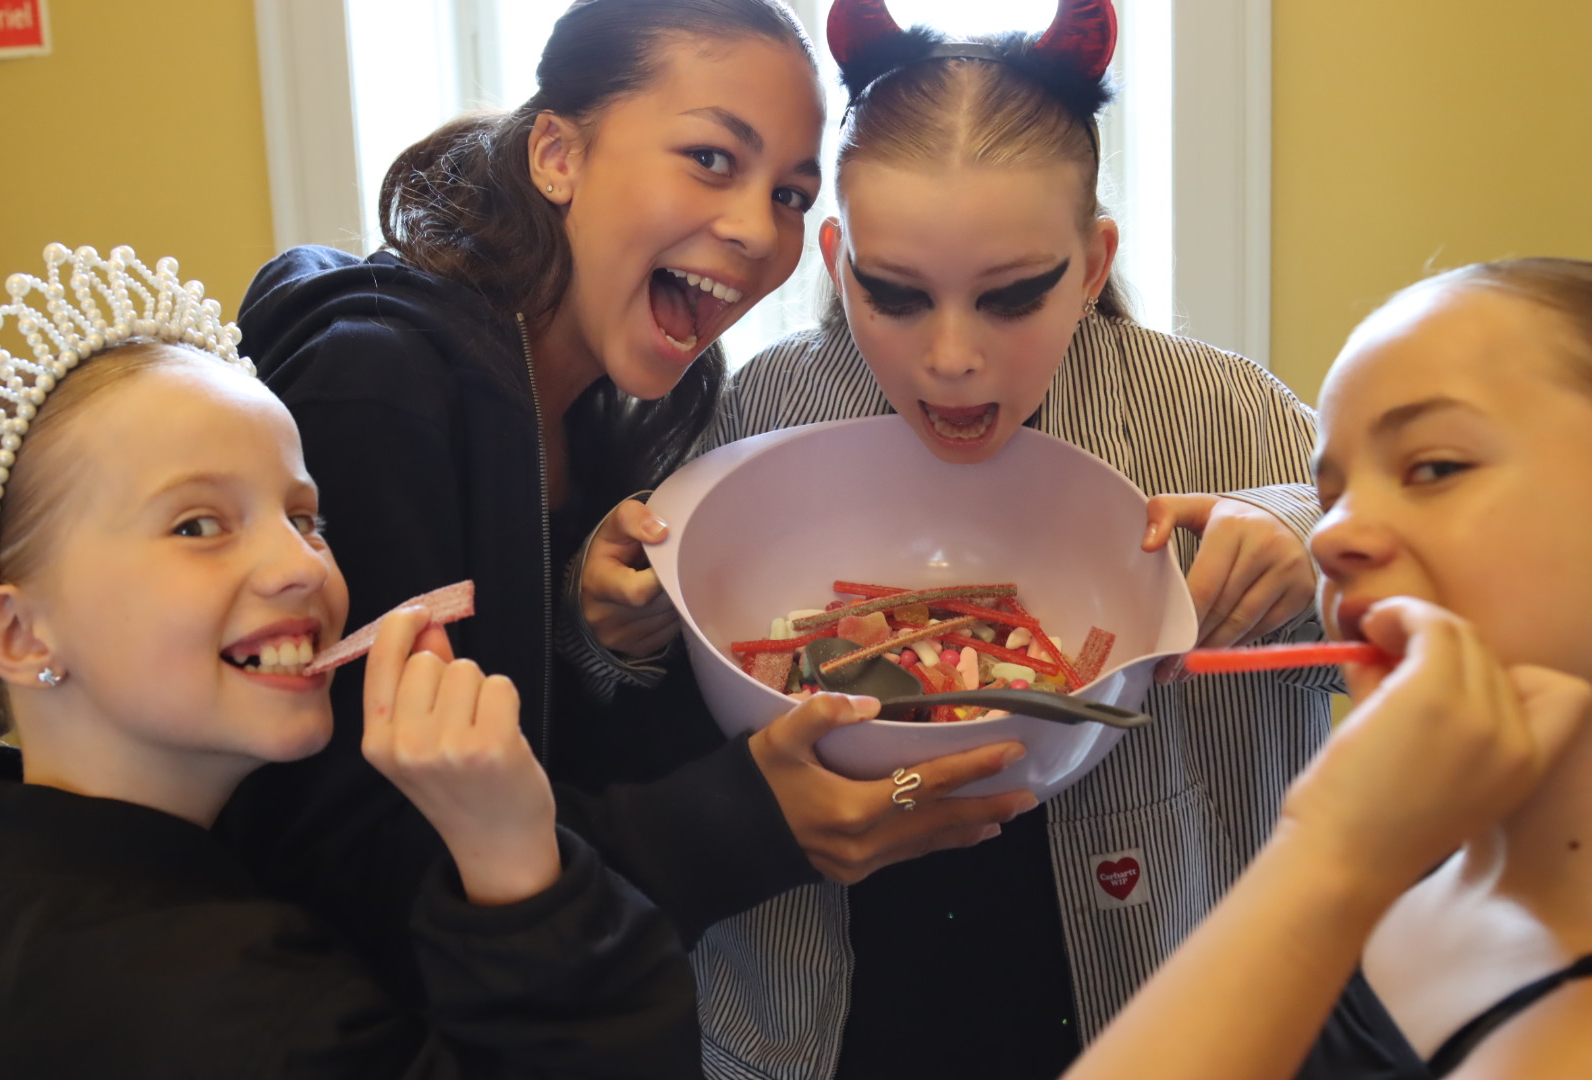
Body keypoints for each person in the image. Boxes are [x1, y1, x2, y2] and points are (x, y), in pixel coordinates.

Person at [219, 0, 1033, 1014]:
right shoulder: (375, 393)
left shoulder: (635, 407)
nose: (754, 230)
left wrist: (595, 630)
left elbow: (545, 732)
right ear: (557, 153)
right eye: (709, 158)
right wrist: (748, 825)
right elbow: (339, 861)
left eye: (790, 191)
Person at [583, 2, 1338, 1075]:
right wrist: (612, 618)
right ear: (838, 261)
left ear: (1090, 263)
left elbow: (1434, 600)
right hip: (830, 1010)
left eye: (1010, 298)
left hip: (1147, 997)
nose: (950, 359)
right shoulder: (761, 408)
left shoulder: (1229, 415)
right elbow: (644, 707)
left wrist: (1309, 538)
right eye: (894, 296)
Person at [0, 243, 700, 1077]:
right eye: (198, 525)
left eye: (305, 518)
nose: (301, 567)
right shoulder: (243, 1013)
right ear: (20, 636)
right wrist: (512, 854)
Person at [1063, 258, 1592, 1080]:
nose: (1329, 539)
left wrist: (1327, 855)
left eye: (1435, 467)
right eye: (1333, 492)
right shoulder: (1404, 873)